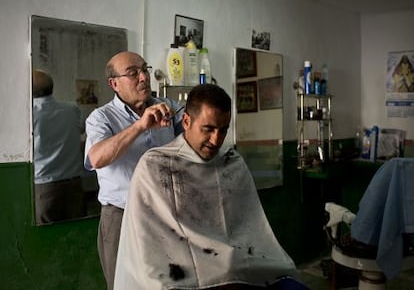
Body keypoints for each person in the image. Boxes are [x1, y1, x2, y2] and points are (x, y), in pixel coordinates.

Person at [114, 84, 308, 290]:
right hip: (180, 273)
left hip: (235, 264)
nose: (216, 140)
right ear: (186, 121)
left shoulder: (231, 161)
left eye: (223, 130)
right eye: (208, 129)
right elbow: (149, 244)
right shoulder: (157, 166)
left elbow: (249, 228)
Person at [84, 51, 184, 290]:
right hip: (121, 215)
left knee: (171, 284)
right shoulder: (101, 118)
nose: (143, 77)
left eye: (145, 69)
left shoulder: (167, 106)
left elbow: (193, 132)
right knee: (124, 285)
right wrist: (140, 126)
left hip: (167, 213)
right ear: (114, 83)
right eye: (133, 73)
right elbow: (96, 158)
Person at [33, 69, 85, 224]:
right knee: (77, 233)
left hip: (44, 186)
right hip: (74, 184)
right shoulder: (72, 109)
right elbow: (81, 130)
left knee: (46, 238)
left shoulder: (29, 115)